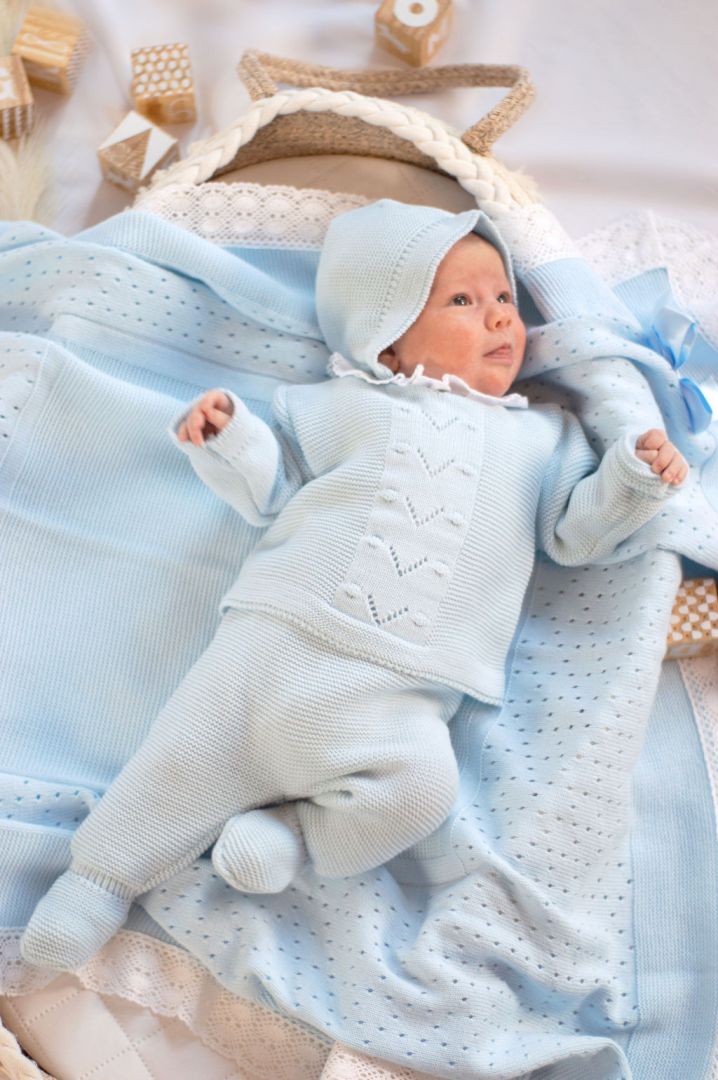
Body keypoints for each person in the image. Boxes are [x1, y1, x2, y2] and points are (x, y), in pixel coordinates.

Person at [20, 199, 687, 971]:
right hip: (276, 644)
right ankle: (97, 882)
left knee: (421, 793)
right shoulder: (342, 406)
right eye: (463, 300)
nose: (502, 317)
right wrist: (230, 437)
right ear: (388, 340)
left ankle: (296, 837)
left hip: (404, 696)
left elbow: (575, 534)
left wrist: (633, 480)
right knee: (179, 762)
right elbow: (271, 489)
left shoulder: (545, 437)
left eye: (504, 296)